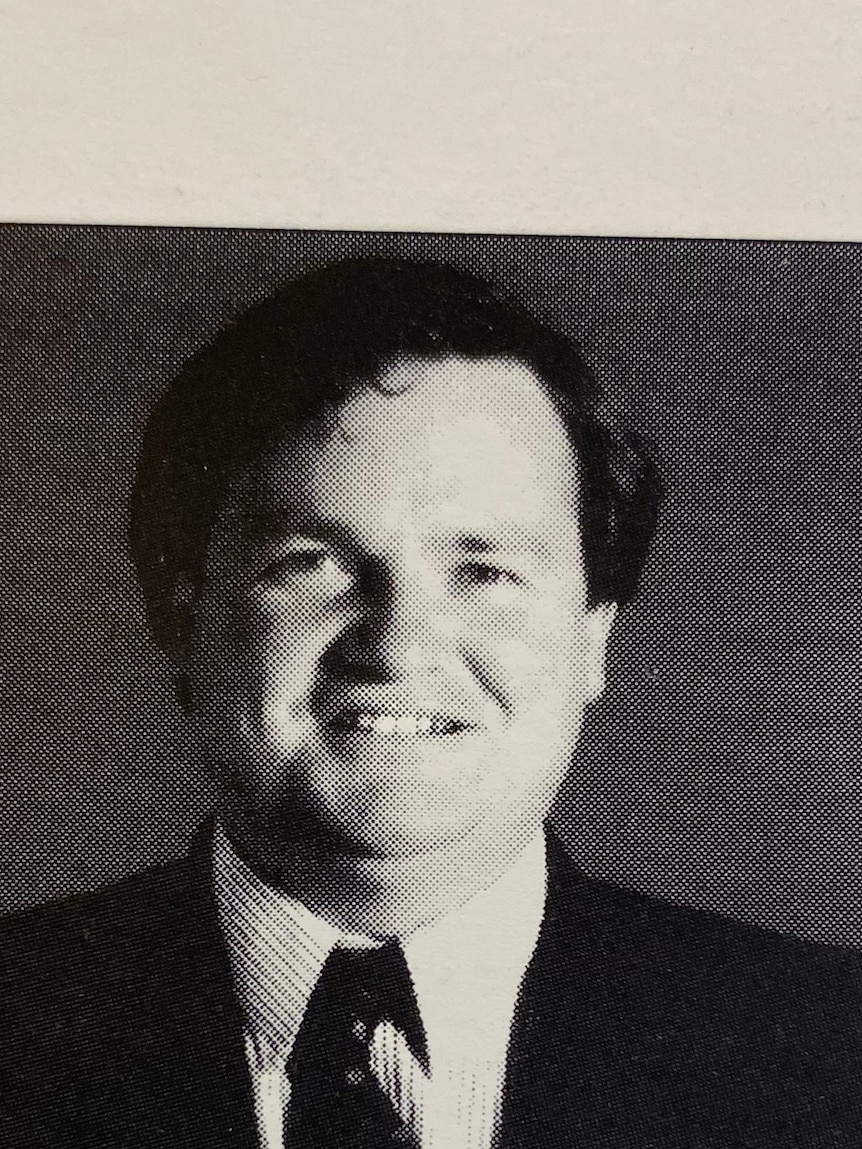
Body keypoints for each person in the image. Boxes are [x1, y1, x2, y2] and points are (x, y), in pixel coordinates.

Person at [1, 256, 861, 1149]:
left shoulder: (832, 1050)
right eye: (312, 563)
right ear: (183, 615)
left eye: (484, 570)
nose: (399, 644)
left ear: (591, 639)